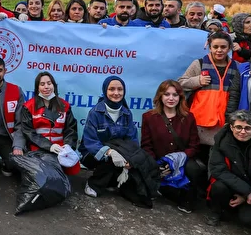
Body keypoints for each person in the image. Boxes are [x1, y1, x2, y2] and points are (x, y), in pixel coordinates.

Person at [80, 76, 158, 207]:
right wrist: (109, 152)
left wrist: (131, 159)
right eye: (111, 89)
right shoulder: (95, 113)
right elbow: (90, 142)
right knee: (110, 160)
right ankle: (93, 184)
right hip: (92, 153)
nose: (116, 93)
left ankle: (112, 181)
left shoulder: (126, 113)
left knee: (138, 164)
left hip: (120, 151)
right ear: (105, 91)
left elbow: (132, 140)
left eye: (120, 89)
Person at [206, 110, 251, 227]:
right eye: (239, 127)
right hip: (231, 186)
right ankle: (217, 212)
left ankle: (237, 212)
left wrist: (247, 195)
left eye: (248, 128)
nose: (243, 132)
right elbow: (218, 170)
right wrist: (247, 191)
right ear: (231, 127)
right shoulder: (221, 141)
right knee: (218, 187)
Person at [141, 80, 203, 213]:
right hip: (160, 163)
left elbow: (194, 145)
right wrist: (158, 165)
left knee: (194, 169)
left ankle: (187, 200)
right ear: (160, 96)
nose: (171, 98)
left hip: (182, 162)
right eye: (167, 94)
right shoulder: (148, 117)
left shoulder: (189, 117)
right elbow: (146, 145)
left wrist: (176, 161)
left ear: (180, 97)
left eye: (175, 95)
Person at [178, 31, 239, 148]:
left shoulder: (237, 66)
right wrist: (198, 81)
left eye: (223, 47)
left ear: (229, 48)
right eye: (215, 47)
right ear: (210, 48)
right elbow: (180, 83)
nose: (219, 50)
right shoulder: (199, 64)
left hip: (225, 123)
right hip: (200, 123)